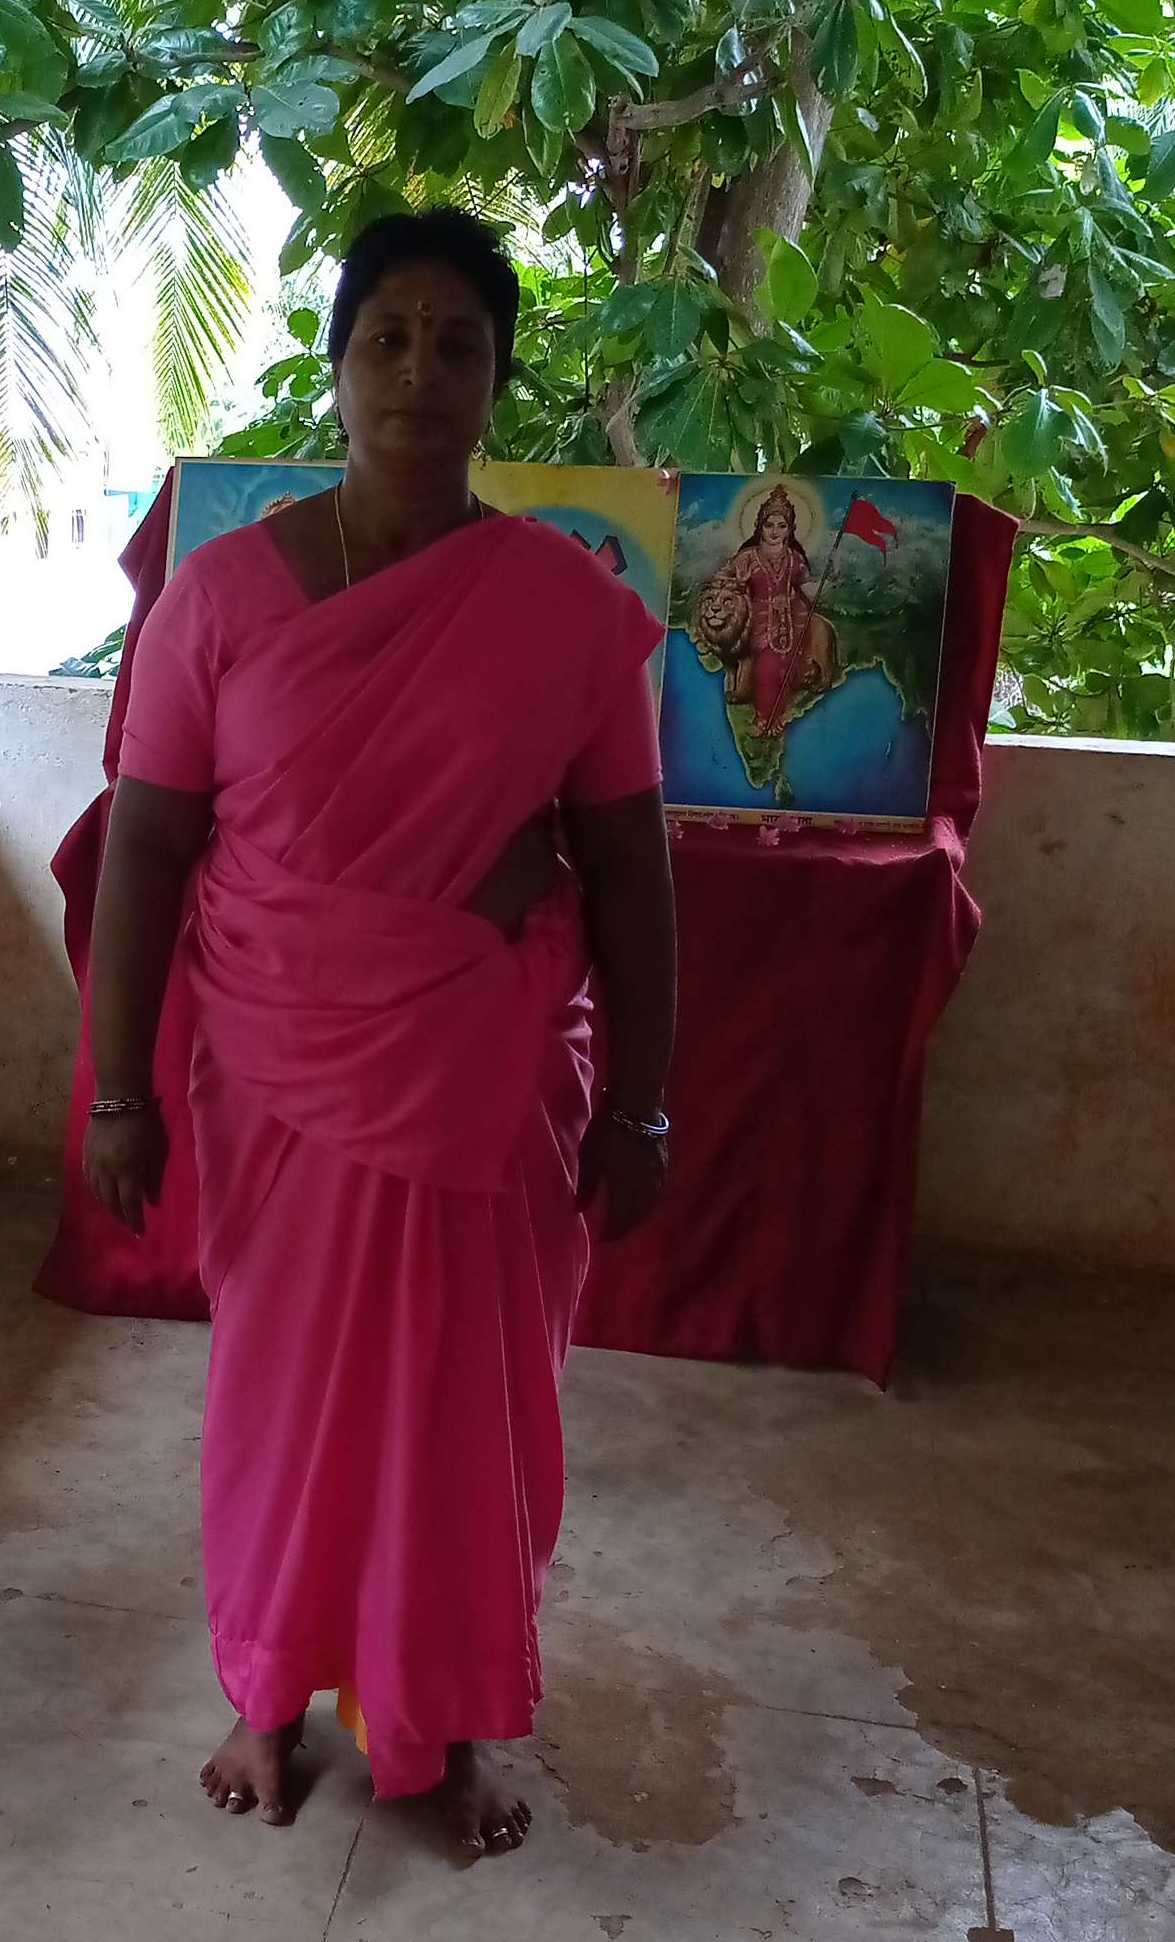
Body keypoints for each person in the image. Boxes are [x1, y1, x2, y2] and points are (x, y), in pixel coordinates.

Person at [82, 210, 677, 1854]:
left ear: (495, 382)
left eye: (457, 343)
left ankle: (447, 1721)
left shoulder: (561, 611)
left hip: (484, 1075)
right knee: (283, 1403)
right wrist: (119, 1090)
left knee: (465, 1413)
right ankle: (269, 1693)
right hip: (279, 1068)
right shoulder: (216, 599)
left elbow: (630, 863)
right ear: (337, 368)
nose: (420, 372)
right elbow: (145, 842)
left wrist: (641, 1102)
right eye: (388, 338)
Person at [694, 480, 837, 736]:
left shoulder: (794, 560)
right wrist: (738, 581)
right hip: (757, 619)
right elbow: (720, 580)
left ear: (790, 529)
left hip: (791, 619)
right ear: (760, 526)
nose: (774, 531)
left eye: (781, 526)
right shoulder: (747, 558)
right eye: (769, 525)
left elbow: (808, 591)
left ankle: (777, 720)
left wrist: (830, 576)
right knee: (766, 667)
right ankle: (763, 720)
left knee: (790, 666)